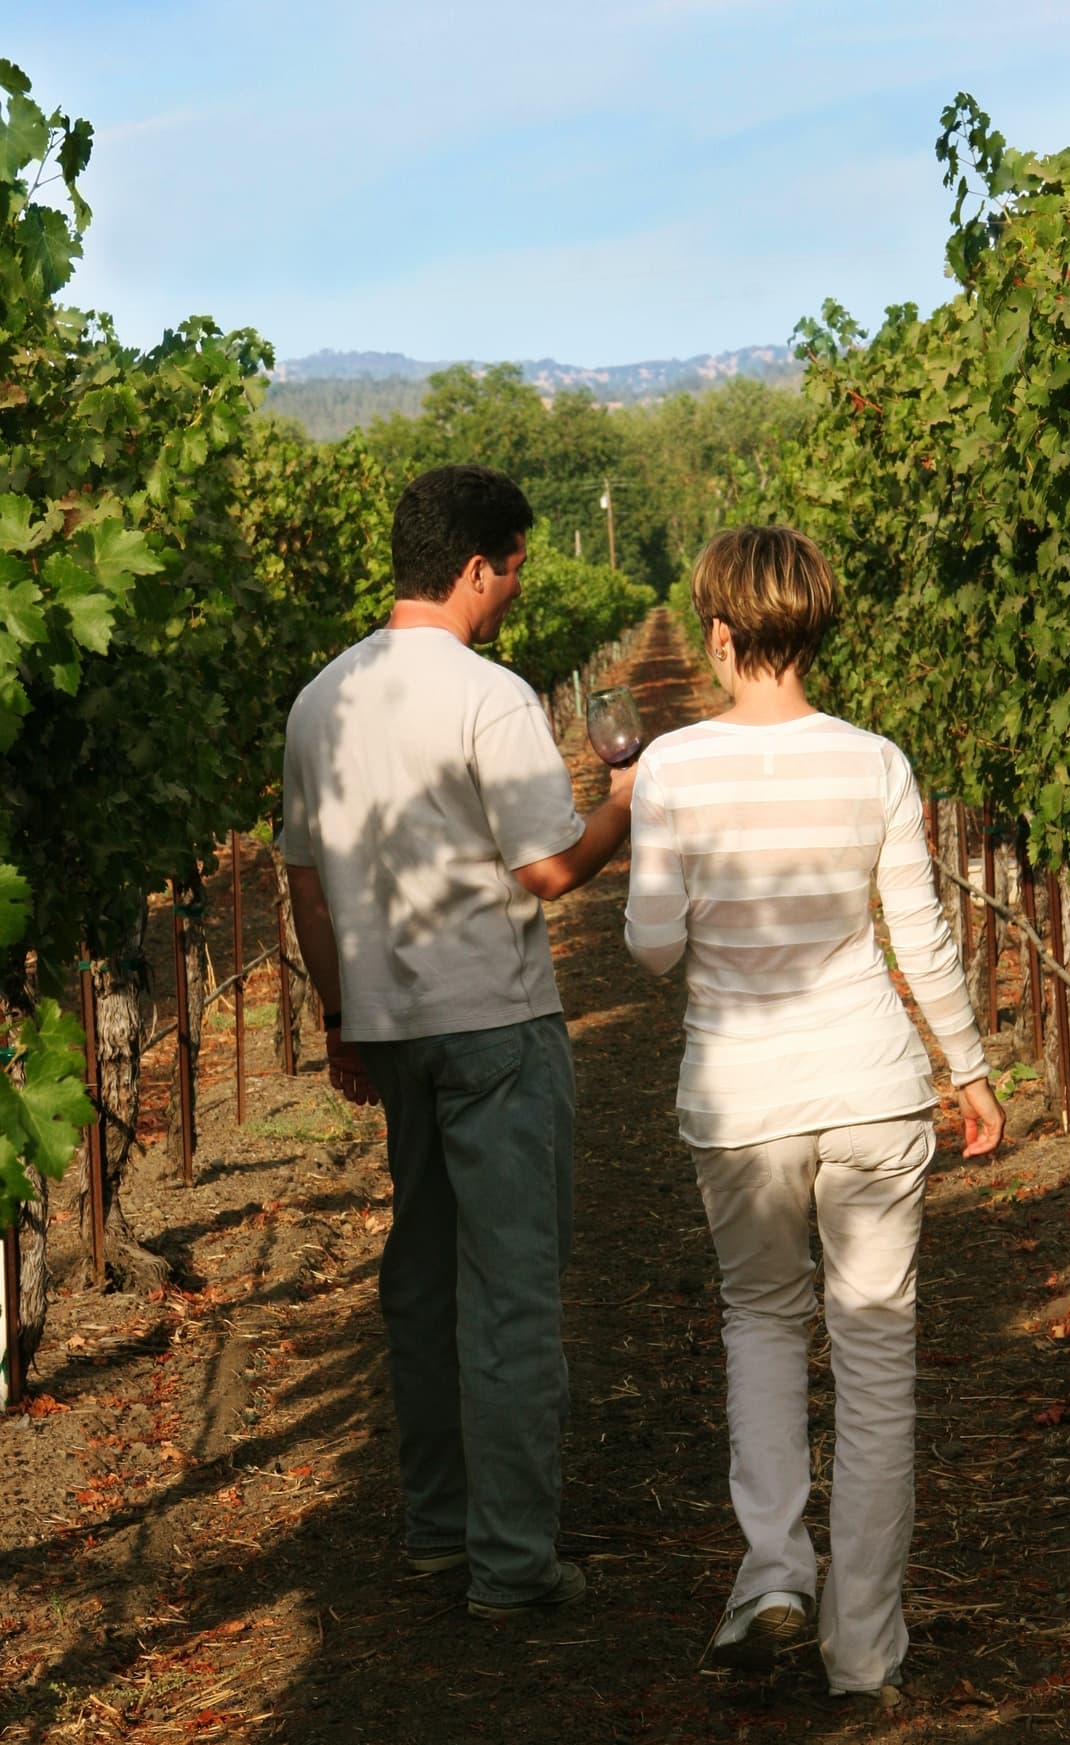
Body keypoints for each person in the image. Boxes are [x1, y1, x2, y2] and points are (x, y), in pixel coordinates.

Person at [624, 525, 1004, 1703]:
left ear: (721, 633)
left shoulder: (674, 768)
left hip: (740, 1097)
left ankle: (772, 1572)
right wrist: (970, 1068)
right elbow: (919, 936)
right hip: (874, 1085)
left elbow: (647, 947)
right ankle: (861, 1650)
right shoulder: (875, 760)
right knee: (877, 1355)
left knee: (762, 1321)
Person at [283, 463, 635, 1618]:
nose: (519, 588)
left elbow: (306, 889)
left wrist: (340, 1020)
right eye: (517, 566)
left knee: (422, 1283)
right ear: (477, 566)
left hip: (390, 1032)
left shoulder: (317, 699)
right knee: (514, 1296)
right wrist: (626, 802)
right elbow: (547, 869)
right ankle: (513, 1565)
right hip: (494, 1026)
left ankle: (437, 1531)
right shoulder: (493, 696)